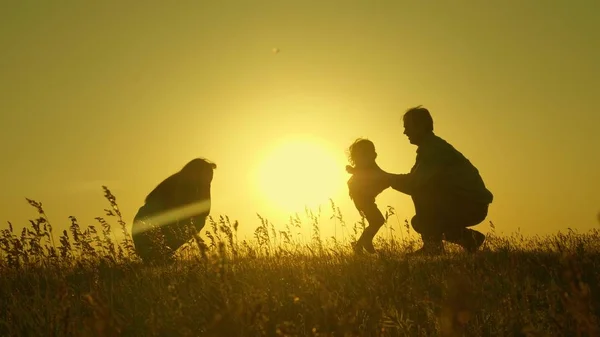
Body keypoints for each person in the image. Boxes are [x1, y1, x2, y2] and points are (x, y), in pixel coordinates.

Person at [354, 106, 493, 255]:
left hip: (470, 205)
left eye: (408, 127)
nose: (405, 132)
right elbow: (413, 180)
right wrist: (385, 178)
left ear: (420, 127)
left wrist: (384, 178)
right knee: (420, 220)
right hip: (466, 203)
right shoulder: (430, 147)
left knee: (422, 204)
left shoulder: (433, 150)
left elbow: (414, 183)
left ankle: (432, 248)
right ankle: (469, 239)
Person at [131, 158, 217, 263]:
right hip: (148, 232)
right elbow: (204, 212)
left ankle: (162, 255)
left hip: (143, 230)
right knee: (199, 221)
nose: (210, 178)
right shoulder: (182, 185)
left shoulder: (176, 181)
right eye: (208, 175)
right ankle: (161, 254)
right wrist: (206, 186)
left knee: (197, 220)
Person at [345, 138, 390, 254]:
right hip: (362, 199)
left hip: (365, 199)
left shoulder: (370, 164)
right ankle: (361, 243)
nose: (375, 153)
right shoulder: (364, 165)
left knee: (376, 221)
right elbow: (364, 172)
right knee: (378, 220)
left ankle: (362, 243)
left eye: (374, 150)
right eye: (371, 151)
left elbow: (379, 173)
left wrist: (389, 178)